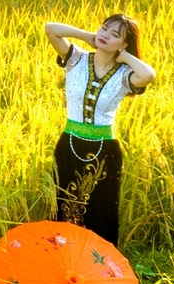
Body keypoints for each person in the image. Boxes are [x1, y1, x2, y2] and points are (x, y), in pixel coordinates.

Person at [42, 13, 155, 247]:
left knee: (101, 213)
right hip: (68, 146)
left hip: (104, 152)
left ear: (124, 44)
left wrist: (125, 57)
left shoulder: (125, 75)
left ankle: (99, 269)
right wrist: (88, 37)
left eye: (115, 35)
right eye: (104, 29)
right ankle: (65, 264)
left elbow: (148, 75)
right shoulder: (76, 59)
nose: (106, 35)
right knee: (64, 205)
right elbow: (51, 28)